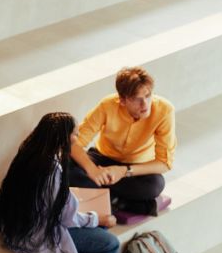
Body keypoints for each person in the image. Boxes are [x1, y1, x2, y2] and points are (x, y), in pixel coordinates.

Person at [0, 112, 120, 253]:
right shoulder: (51, 169)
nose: (76, 139)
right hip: (38, 239)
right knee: (110, 244)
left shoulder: (26, 153)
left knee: (97, 233)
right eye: (75, 133)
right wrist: (97, 218)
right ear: (63, 137)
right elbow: (66, 218)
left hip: (15, 232)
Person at [69, 66, 177, 216]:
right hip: (102, 159)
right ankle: (125, 202)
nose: (145, 104)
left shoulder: (165, 110)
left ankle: (105, 196)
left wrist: (124, 171)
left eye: (147, 96)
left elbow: (164, 163)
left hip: (135, 168)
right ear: (122, 100)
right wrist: (92, 170)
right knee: (65, 163)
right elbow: (74, 143)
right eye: (136, 99)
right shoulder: (107, 105)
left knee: (155, 185)